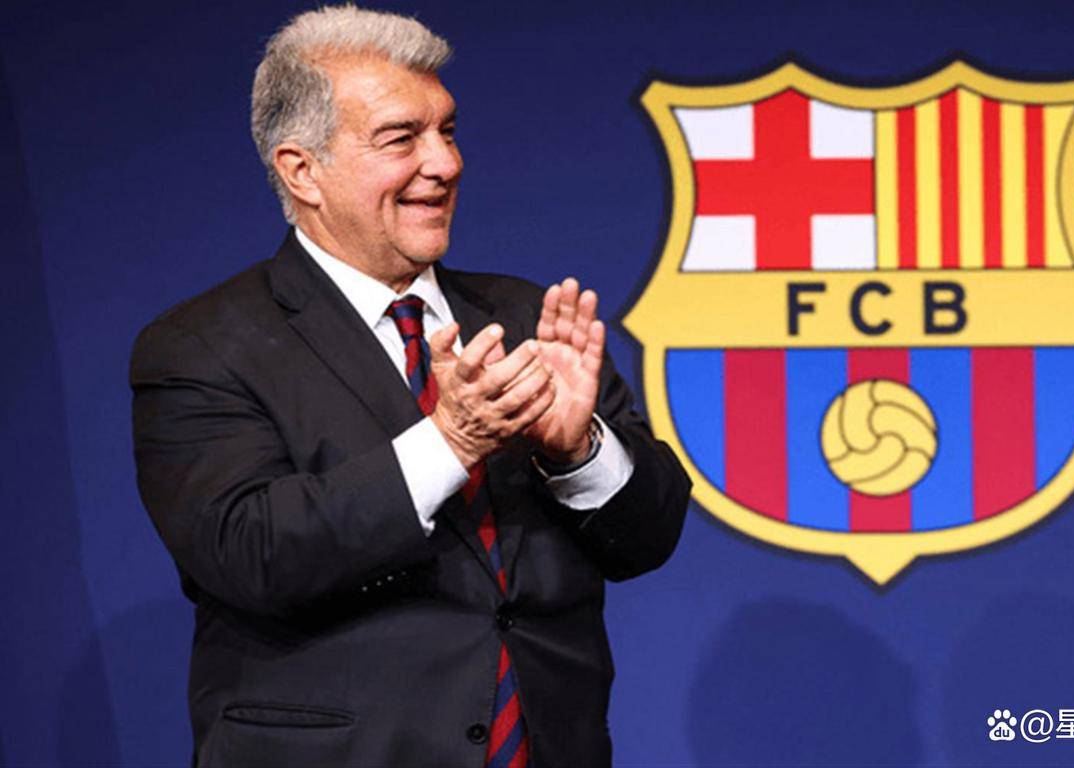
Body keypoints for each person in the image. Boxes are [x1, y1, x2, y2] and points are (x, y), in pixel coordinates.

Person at [129, 6, 690, 767]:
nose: (446, 164)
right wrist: (450, 443)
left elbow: (648, 538)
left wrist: (577, 451)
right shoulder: (201, 345)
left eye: (447, 131)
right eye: (402, 138)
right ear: (302, 170)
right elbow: (249, 553)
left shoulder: (523, 317)